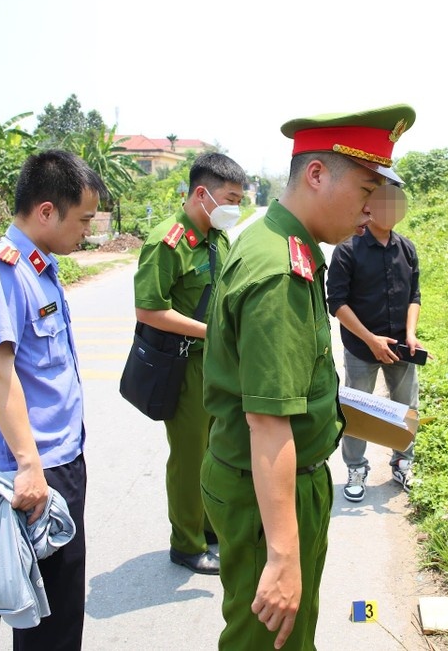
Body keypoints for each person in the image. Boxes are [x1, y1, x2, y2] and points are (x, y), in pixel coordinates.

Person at [201, 104, 416, 650]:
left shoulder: (284, 242)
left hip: (279, 482)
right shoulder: (281, 269)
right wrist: (282, 556)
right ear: (317, 174)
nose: (372, 211)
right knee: (268, 640)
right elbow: (269, 424)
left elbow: (293, 381)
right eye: (368, 191)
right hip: (269, 491)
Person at [0, 149, 107, 650]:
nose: (88, 229)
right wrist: (28, 467)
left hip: (62, 462)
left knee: (63, 608)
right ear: (47, 211)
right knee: (47, 624)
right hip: (38, 472)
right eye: (83, 218)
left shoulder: (39, 266)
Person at [133, 151, 247, 575]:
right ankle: (186, 542)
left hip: (216, 364)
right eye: (230, 198)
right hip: (183, 366)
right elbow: (149, 310)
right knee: (188, 456)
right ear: (202, 194)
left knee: (216, 449)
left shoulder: (217, 238)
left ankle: (209, 526)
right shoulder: (168, 242)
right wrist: (213, 333)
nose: (236, 208)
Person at [327, 182, 422, 502]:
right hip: (360, 348)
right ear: (368, 206)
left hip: (401, 348)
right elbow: (336, 302)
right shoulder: (348, 249)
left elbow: (414, 296)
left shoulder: (406, 248)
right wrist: (370, 340)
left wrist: (410, 333)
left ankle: (402, 462)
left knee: (406, 407)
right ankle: (356, 467)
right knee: (357, 410)